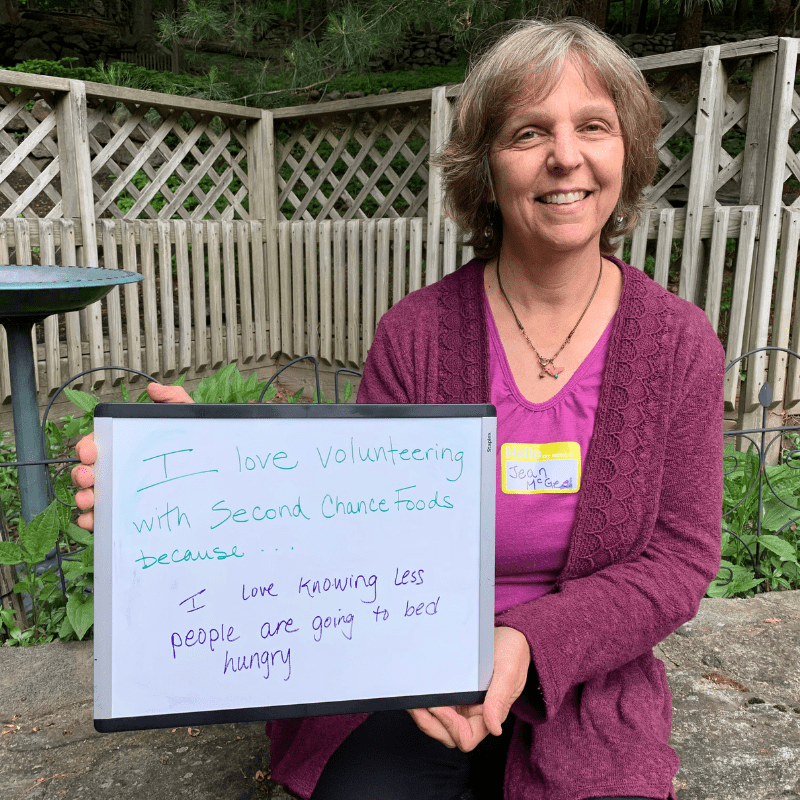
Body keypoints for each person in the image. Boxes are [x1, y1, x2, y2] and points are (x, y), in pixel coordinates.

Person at [73, 18, 725, 800]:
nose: (566, 156)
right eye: (528, 132)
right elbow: (353, 528)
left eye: (593, 126)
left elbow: (679, 560)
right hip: (395, 667)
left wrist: (524, 639)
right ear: (485, 165)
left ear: (628, 151)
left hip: (587, 681)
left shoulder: (678, 345)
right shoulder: (418, 332)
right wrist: (197, 483)